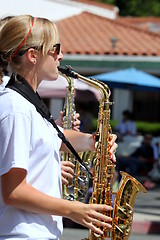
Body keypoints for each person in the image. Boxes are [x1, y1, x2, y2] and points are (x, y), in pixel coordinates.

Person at [0, 15, 118, 239]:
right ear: (33, 55)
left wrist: (94, 142)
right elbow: (13, 192)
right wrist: (74, 210)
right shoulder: (16, 108)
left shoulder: (28, 104)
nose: (61, 56)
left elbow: (55, 136)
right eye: (56, 49)